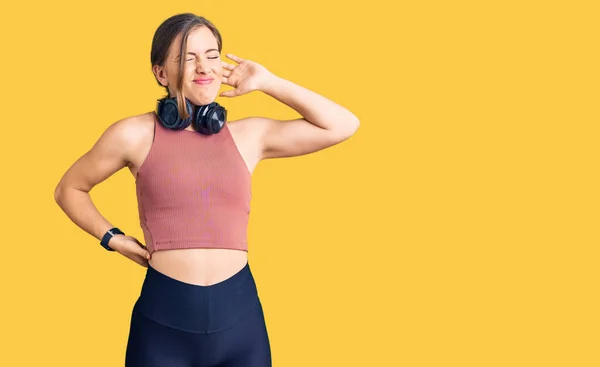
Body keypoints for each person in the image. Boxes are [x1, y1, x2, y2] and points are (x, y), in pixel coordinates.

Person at [54, 12, 359, 367]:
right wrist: (113, 239)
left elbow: (343, 125)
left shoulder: (249, 136)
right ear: (161, 73)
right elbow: (70, 189)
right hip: (163, 324)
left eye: (212, 55)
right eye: (188, 57)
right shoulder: (133, 134)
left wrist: (269, 82)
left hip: (241, 322)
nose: (205, 67)